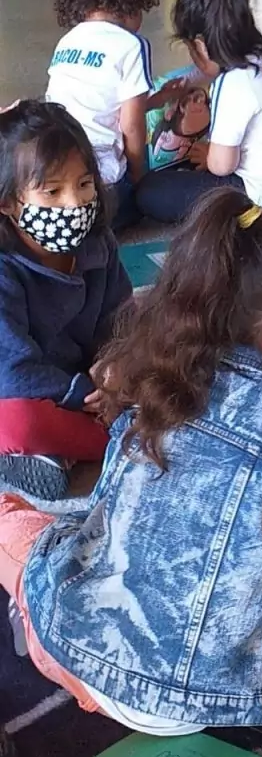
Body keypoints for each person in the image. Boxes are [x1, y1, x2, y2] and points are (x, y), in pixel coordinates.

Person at [0, 188, 262, 737]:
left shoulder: (172, 369)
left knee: (36, 531)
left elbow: (104, 515)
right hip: (211, 703)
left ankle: (38, 629)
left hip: (84, 646)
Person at [0, 102, 131, 500]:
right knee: (17, 423)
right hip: (25, 386)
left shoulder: (98, 244)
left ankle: (62, 452)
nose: (74, 204)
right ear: (7, 202)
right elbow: (12, 371)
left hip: (84, 382)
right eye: (52, 191)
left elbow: (120, 316)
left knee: (168, 358)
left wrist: (115, 364)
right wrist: (81, 394)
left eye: (85, 184)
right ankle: (112, 440)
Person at [135, 0, 262, 224]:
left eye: (191, 50)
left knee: (151, 190)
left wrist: (208, 155)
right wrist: (179, 85)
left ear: (200, 46)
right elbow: (205, 70)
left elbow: (221, 166)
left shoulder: (233, 83)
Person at [46, 0, 160, 230]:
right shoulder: (131, 44)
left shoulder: (67, 40)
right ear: (129, 1)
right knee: (147, 199)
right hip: (101, 181)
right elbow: (131, 125)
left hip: (54, 166)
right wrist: (138, 175)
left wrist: (163, 97)